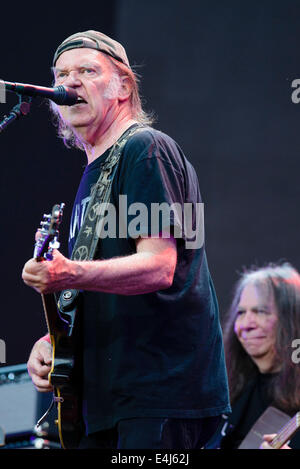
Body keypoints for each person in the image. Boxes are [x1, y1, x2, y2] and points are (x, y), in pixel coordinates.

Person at [22, 30, 230, 449]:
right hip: (107, 402)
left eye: (87, 71)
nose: (70, 83)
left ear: (123, 86)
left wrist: (69, 272)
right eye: (62, 74)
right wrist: (53, 341)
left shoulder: (146, 150)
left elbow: (159, 266)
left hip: (159, 398)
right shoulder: (91, 176)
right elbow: (101, 288)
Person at [205, 262, 300, 449]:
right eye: (241, 312)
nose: (246, 324)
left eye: (261, 311)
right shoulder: (227, 390)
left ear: (292, 320)